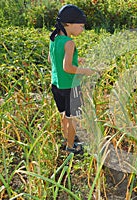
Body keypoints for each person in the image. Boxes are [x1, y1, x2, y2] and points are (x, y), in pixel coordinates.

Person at [48, 4, 95, 154]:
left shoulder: (54, 39)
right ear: (68, 24)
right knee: (73, 118)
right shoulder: (69, 43)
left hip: (56, 85)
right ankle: (71, 147)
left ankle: (67, 138)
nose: (82, 29)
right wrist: (85, 71)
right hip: (70, 86)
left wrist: (75, 60)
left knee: (64, 116)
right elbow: (67, 68)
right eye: (80, 26)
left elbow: (52, 59)